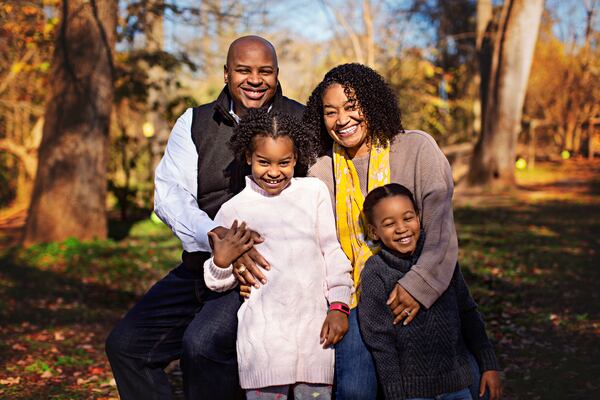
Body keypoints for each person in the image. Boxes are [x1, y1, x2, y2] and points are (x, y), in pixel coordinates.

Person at [105, 36, 305, 400]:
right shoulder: (194, 121)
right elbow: (170, 194)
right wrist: (213, 235)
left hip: (263, 269)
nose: (255, 80)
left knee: (202, 344)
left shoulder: (301, 121)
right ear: (226, 73)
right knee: (126, 346)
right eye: (244, 70)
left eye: (265, 71)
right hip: (202, 259)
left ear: (277, 75)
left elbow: (315, 199)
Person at [303, 63, 461, 399]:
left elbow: (441, 229)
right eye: (330, 112)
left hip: (414, 285)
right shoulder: (319, 170)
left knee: (442, 383)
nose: (341, 120)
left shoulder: (416, 149)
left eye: (351, 106)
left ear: (372, 103)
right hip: (354, 297)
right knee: (355, 388)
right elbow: (313, 242)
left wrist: (418, 286)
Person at [202, 108, 353, 400]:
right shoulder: (234, 210)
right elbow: (217, 281)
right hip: (262, 347)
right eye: (263, 162)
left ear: (296, 158)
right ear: (248, 157)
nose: (274, 171)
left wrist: (339, 306)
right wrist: (222, 262)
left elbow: (332, 252)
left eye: (284, 162)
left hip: (315, 340)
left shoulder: (313, 193)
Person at [359, 183, 502, 400]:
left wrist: (489, 365)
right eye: (389, 223)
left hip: (457, 388)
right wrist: (395, 393)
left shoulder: (439, 258)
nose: (401, 228)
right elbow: (380, 341)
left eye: (408, 218)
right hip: (412, 393)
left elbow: (468, 312)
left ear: (418, 217)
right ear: (373, 231)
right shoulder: (375, 272)